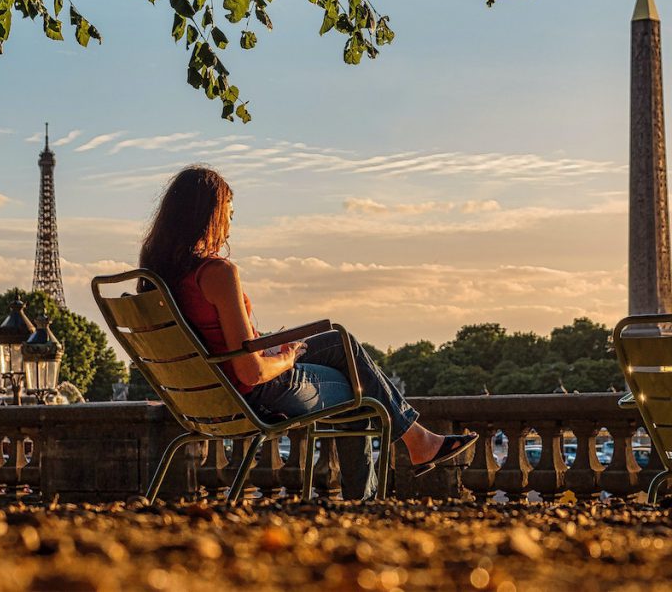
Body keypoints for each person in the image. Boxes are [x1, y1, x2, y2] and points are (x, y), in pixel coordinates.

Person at [138, 165, 477, 500]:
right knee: (357, 392)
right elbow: (251, 372)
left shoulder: (160, 277)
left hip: (205, 394)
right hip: (255, 392)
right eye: (229, 215)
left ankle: (417, 443)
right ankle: (381, 483)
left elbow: (215, 344)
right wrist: (285, 358)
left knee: (338, 342)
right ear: (209, 216)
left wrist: (273, 347)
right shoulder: (217, 272)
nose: (229, 227)